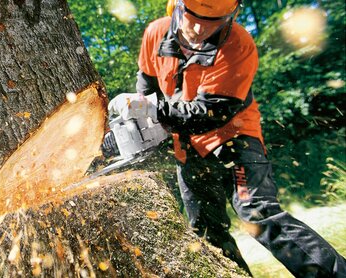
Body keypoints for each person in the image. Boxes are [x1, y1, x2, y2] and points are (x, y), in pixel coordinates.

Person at [107, 0, 346, 276]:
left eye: (211, 22)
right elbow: (146, 87)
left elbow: (210, 113)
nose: (198, 28)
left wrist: (154, 108)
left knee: (257, 213)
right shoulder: (155, 33)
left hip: (236, 139)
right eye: (193, 18)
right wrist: (139, 112)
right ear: (177, 6)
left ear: (230, 16)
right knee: (208, 236)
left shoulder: (239, 45)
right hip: (186, 148)